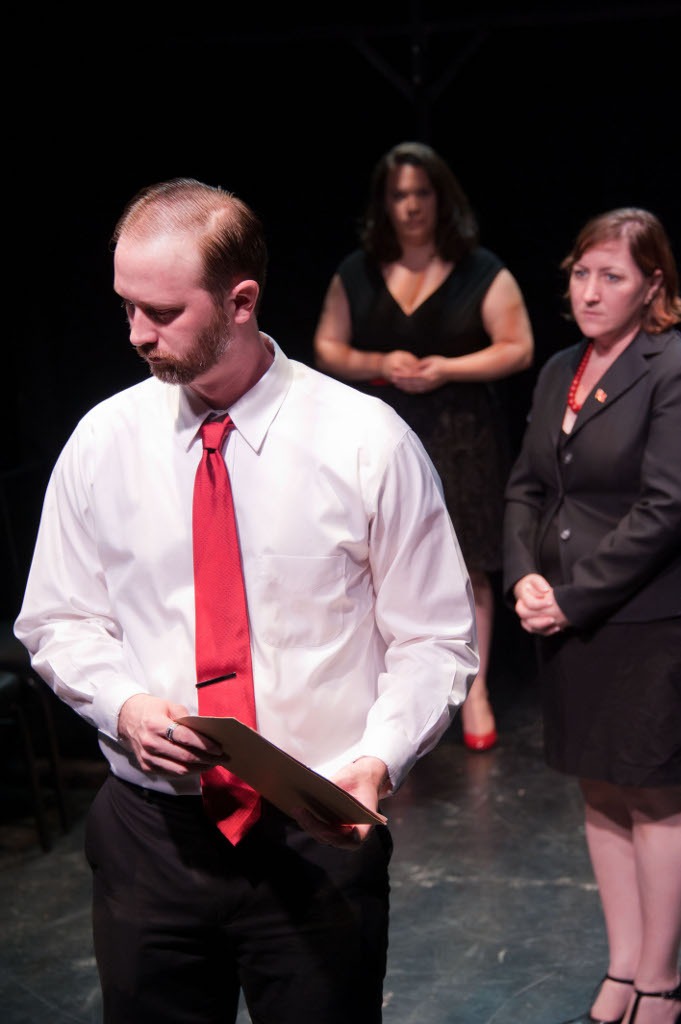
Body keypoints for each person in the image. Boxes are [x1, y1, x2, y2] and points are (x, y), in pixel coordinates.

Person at [15, 178, 478, 1024]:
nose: (134, 335)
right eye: (125, 308)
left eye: (160, 312)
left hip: (312, 835)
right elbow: (58, 617)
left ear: (240, 301)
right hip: (150, 840)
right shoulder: (103, 442)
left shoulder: (363, 442)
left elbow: (432, 641)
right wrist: (121, 707)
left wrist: (376, 760)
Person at [504, 208, 681, 1024]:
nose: (589, 290)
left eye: (611, 276)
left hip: (644, 621)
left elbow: (665, 506)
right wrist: (525, 578)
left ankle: (661, 976)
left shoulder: (670, 365)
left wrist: (573, 597)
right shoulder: (557, 371)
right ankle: (620, 965)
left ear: (652, 285)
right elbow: (526, 487)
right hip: (566, 618)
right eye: (580, 273)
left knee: (652, 796)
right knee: (599, 792)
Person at [314, 141, 533, 751]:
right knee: (378, 565)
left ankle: (476, 689)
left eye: (421, 193)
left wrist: (448, 369)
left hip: (461, 432)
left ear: (441, 198)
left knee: (469, 562)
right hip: (379, 429)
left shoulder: (477, 267)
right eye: (399, 195)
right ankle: (390, 700)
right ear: (385, 204)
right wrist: (379, 360)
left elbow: (517, 345)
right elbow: (327, 347)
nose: (411, 206)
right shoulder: (358, 271)